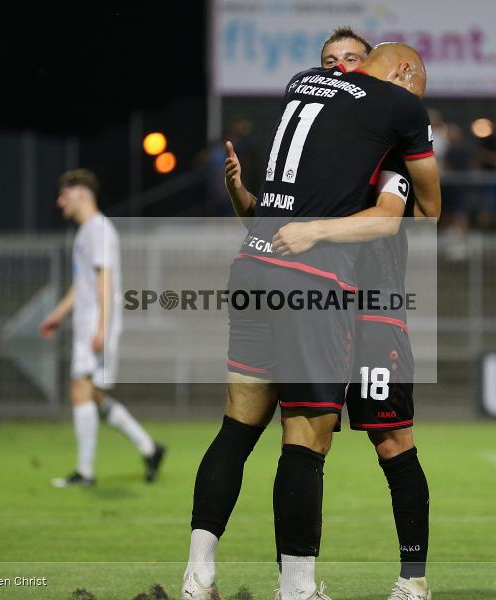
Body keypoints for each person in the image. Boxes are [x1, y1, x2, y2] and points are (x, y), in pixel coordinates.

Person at [182, 39, 439, 600]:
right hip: (319, 286)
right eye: (331, 62)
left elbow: (392, 217)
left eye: (349, 60)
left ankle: (408, 579)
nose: (340, 70)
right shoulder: (387, 118)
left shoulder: (307, 94)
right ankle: (296, 589)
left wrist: (257, 203)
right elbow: (415, 213)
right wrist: (308, 224)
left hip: (335, 298)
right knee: (301, 437)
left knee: (382, 441)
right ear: (400, 74)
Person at [39, 169, 165, 487]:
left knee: (81, 390)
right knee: (93, 395)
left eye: (64, 194)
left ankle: (85, 472)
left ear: (81, 193)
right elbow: (81, 285)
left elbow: (105, 280)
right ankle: (150, 448)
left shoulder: (99, 230)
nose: (59, 201)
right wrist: (57, 315)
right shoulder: (86, 233)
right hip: (89, 324)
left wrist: (101, 327)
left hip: (97, 325)